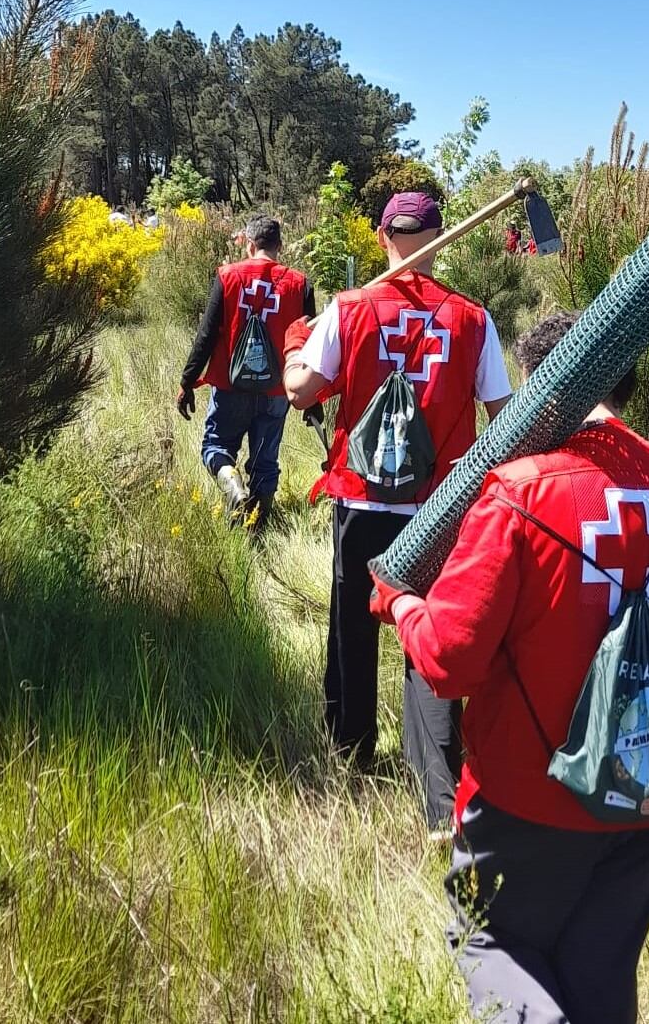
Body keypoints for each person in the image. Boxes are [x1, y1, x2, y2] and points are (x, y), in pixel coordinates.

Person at [368, 310, 649, 1023]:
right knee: (600, 974)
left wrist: (399, 604)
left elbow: (448, 661)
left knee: (491, 941)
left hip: (526, 802)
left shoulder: (517, 491)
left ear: (539, 387)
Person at [284, 191, 513, 830]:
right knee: (431, 641)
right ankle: (440, 796)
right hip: (440, 510)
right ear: (440, 238)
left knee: (352, 630)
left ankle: (350, 752)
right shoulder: (473, 319)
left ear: (384, 238)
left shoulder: (350, 310)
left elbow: (300, 391)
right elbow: (505, 418)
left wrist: (298, 344)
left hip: (362, 501)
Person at [177, 215, 315, 530]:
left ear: (250, 245)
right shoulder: (299, 284)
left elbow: (206, 335)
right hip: (277, 391)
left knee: (216, 447)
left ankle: (233, 487)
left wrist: (187, 382)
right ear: (279, 247)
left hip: (230, 386)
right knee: (266, 462)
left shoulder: (228, 276)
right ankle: (258, 528)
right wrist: (312, 400)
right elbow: (310, 346)